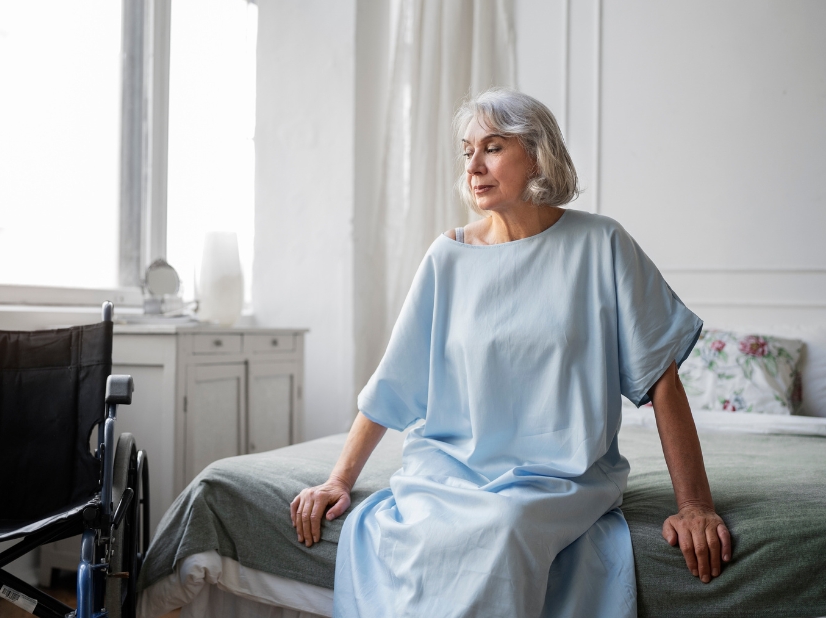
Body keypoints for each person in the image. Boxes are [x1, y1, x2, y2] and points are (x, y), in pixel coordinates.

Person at [289, 89, 732, 617]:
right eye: (466, 151)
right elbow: (393, 384)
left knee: (503, 527)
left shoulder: (602, 244)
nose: (473, 166)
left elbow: (662, 379)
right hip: (448, 470)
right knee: (408, 532)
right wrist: (339, 480)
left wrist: (695, 506)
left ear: (538, 155)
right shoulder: (447, 256)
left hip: (560, 478)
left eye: (493, 148)